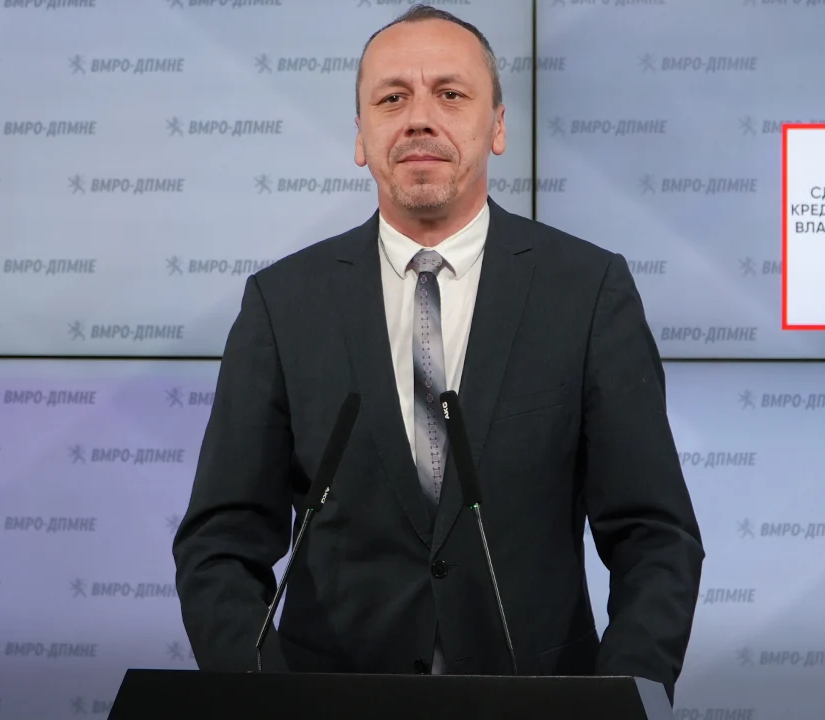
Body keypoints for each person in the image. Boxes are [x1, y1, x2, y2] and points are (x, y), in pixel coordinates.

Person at [171, 3, 704, 705]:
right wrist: (263, 695)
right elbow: (219, 544)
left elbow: (656, 537)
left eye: (450, 94)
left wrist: (618, 702)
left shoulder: (587, 291)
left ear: (498, 127)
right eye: (392, 99)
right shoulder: (282, 303)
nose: (419, 118)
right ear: (360, 136)